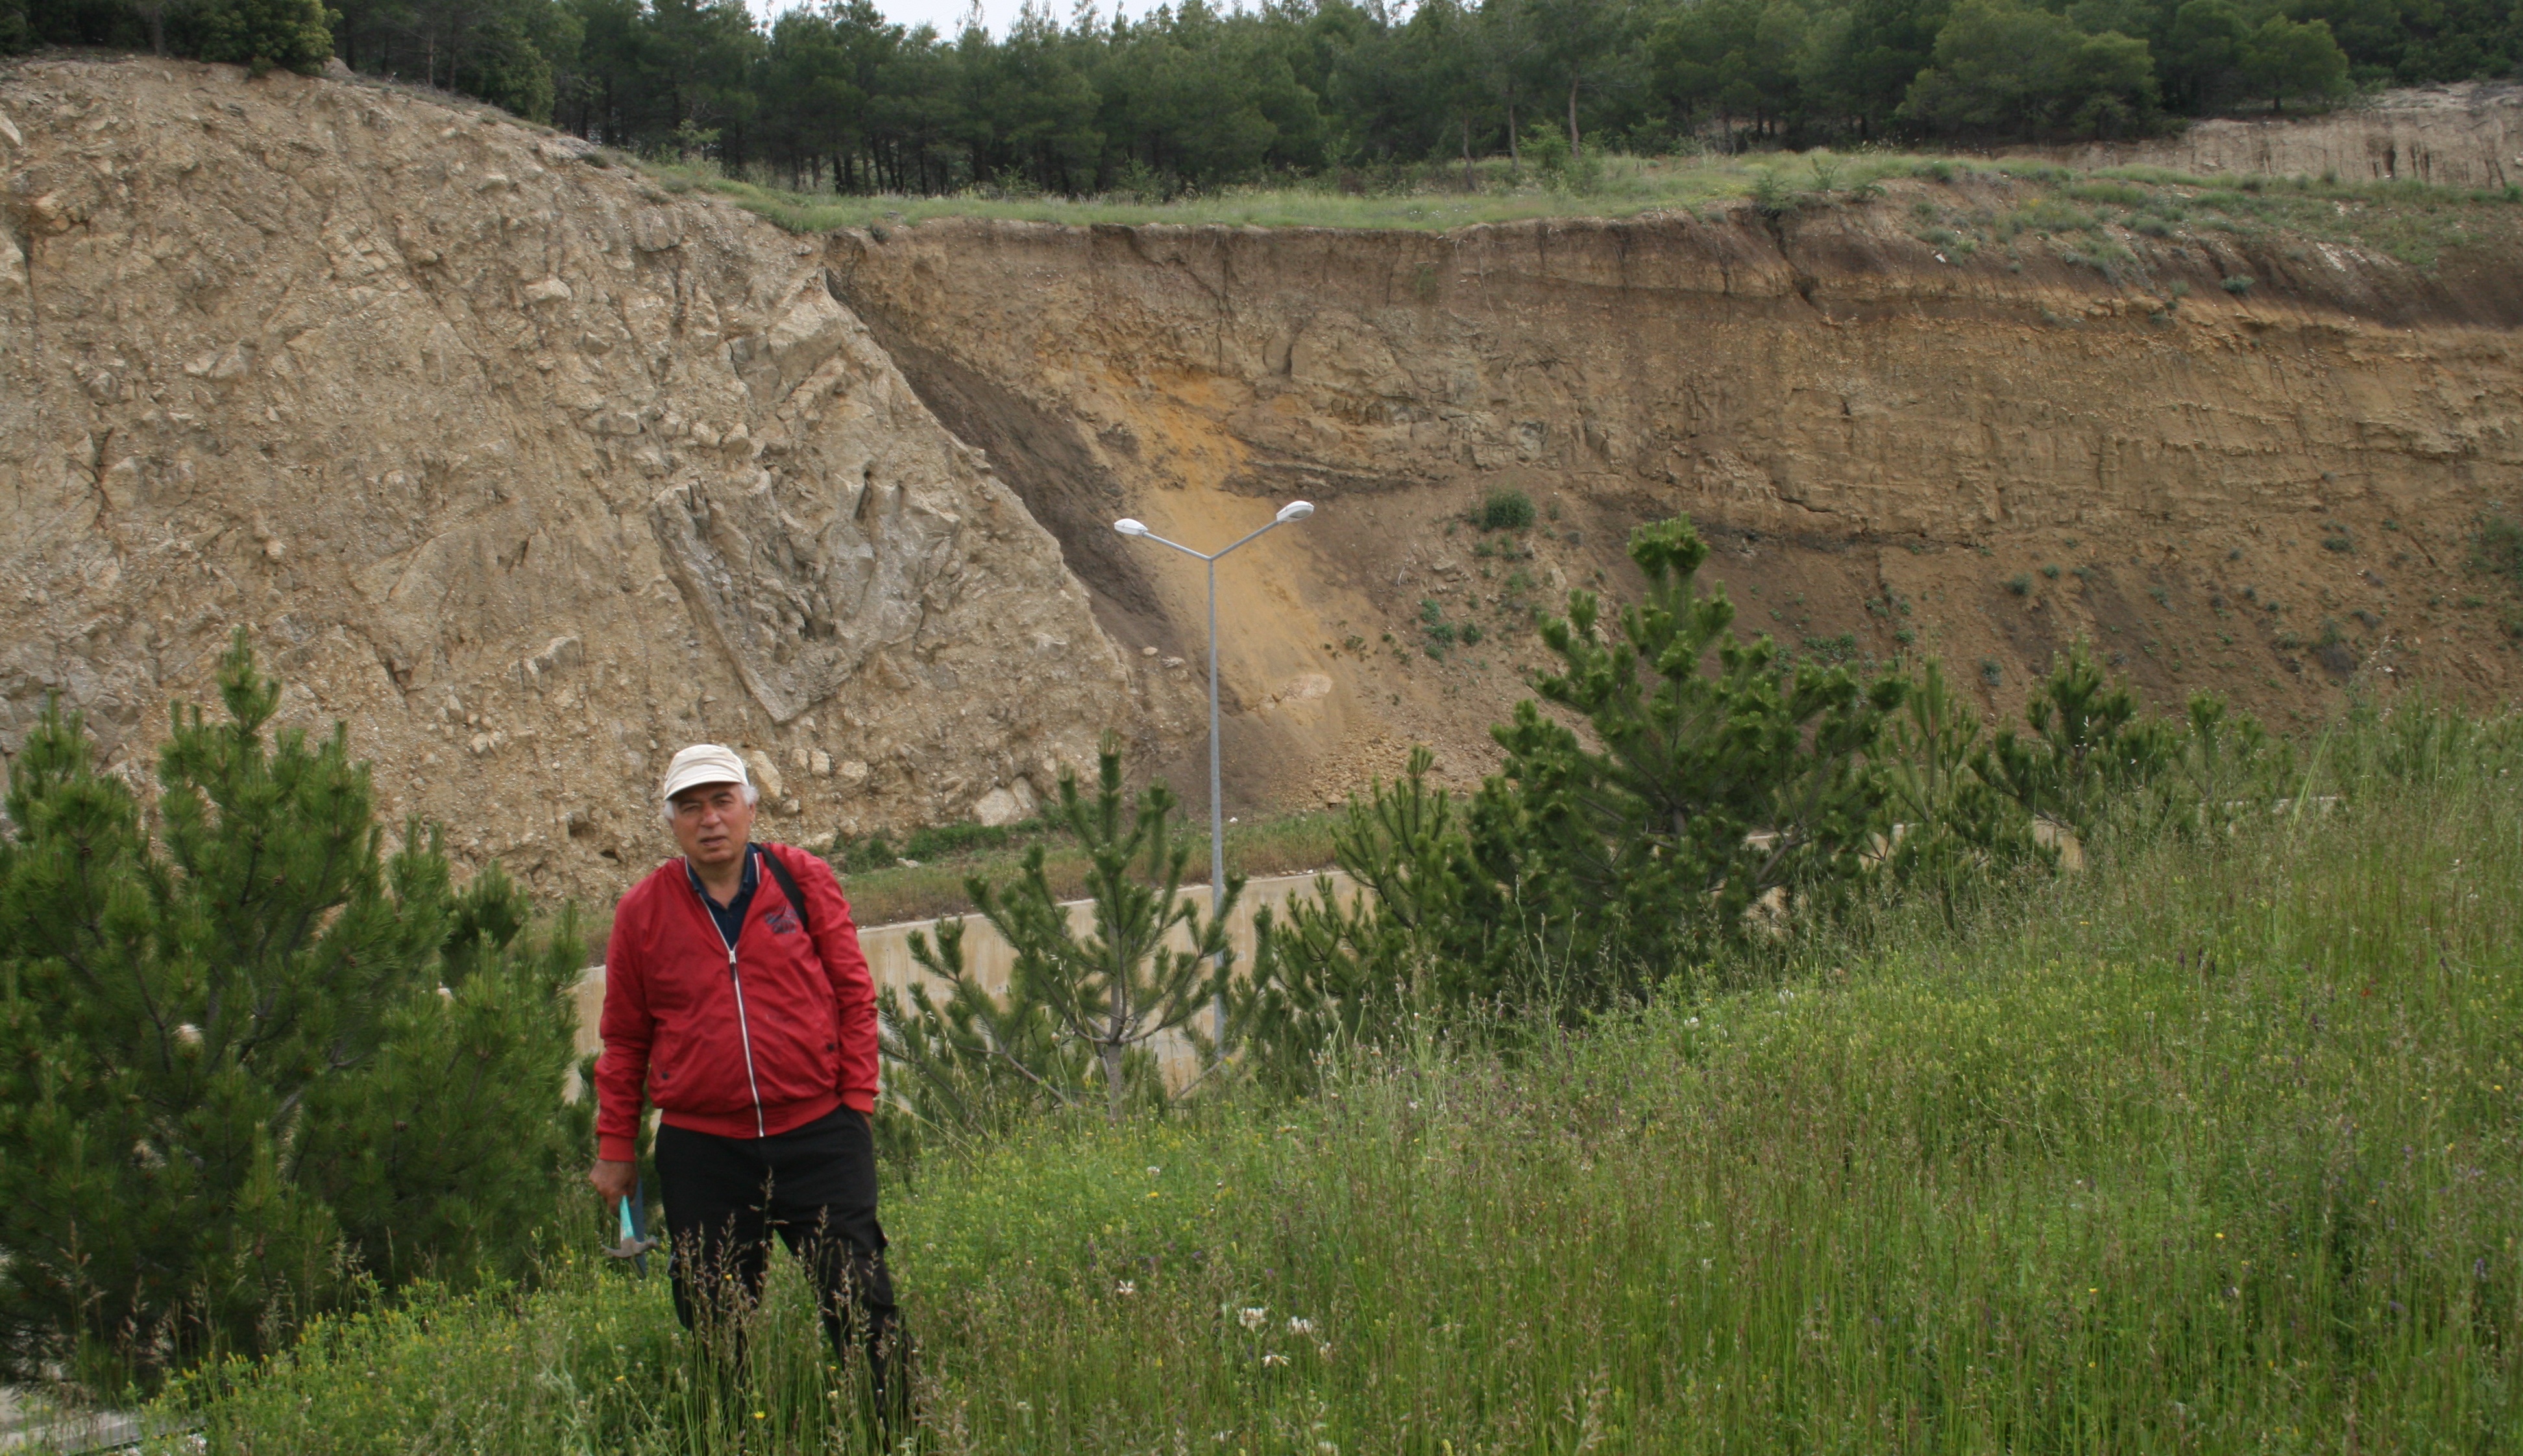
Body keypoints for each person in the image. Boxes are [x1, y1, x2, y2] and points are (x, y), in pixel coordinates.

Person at [589, 742, 903, 1411]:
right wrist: (616, 1148)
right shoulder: (642, 912)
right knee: (713, 1322)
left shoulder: (801, 879)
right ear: (671, 822)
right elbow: (623, 1040)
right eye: (690, 807)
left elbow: (854, 993)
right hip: (705, 1151)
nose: (709, 820)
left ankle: (896, 1434)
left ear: (750, 807)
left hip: (820, 1135)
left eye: (722, 801)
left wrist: (854, 1102)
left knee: (862, 1304)